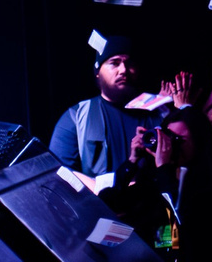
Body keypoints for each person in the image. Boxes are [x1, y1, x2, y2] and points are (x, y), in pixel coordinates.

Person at [50, 37, 146, 178]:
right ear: (97, 71)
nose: (123, 70)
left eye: (129, 63)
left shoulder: (156, 111)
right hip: (98, 200)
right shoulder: (76, 117)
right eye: (114, 63)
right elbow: (60, 176)